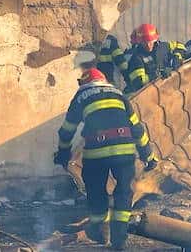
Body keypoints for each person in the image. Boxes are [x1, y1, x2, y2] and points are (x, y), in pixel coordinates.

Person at [53, 68, 158, 250]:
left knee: (96, 191)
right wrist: (148, 156)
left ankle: (100, 230)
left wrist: (63, 154)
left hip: (96, 153)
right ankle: (119, 239)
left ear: (85, 82)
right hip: (124, 151)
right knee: (124, 192)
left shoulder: (81, 96)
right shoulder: (119, 95)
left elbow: (67, 131)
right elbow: (137, 129)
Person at [125, 23, 187, 93]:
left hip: (171, 88)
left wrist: (177, 57)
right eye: (145, 43)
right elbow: (139, 82)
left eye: (150, 42)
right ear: (140, 42)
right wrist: (158, 74)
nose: (148, 46)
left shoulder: (163, 47)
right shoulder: (136, 58)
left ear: (155, 40)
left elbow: (180, 46)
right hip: (151, 94)